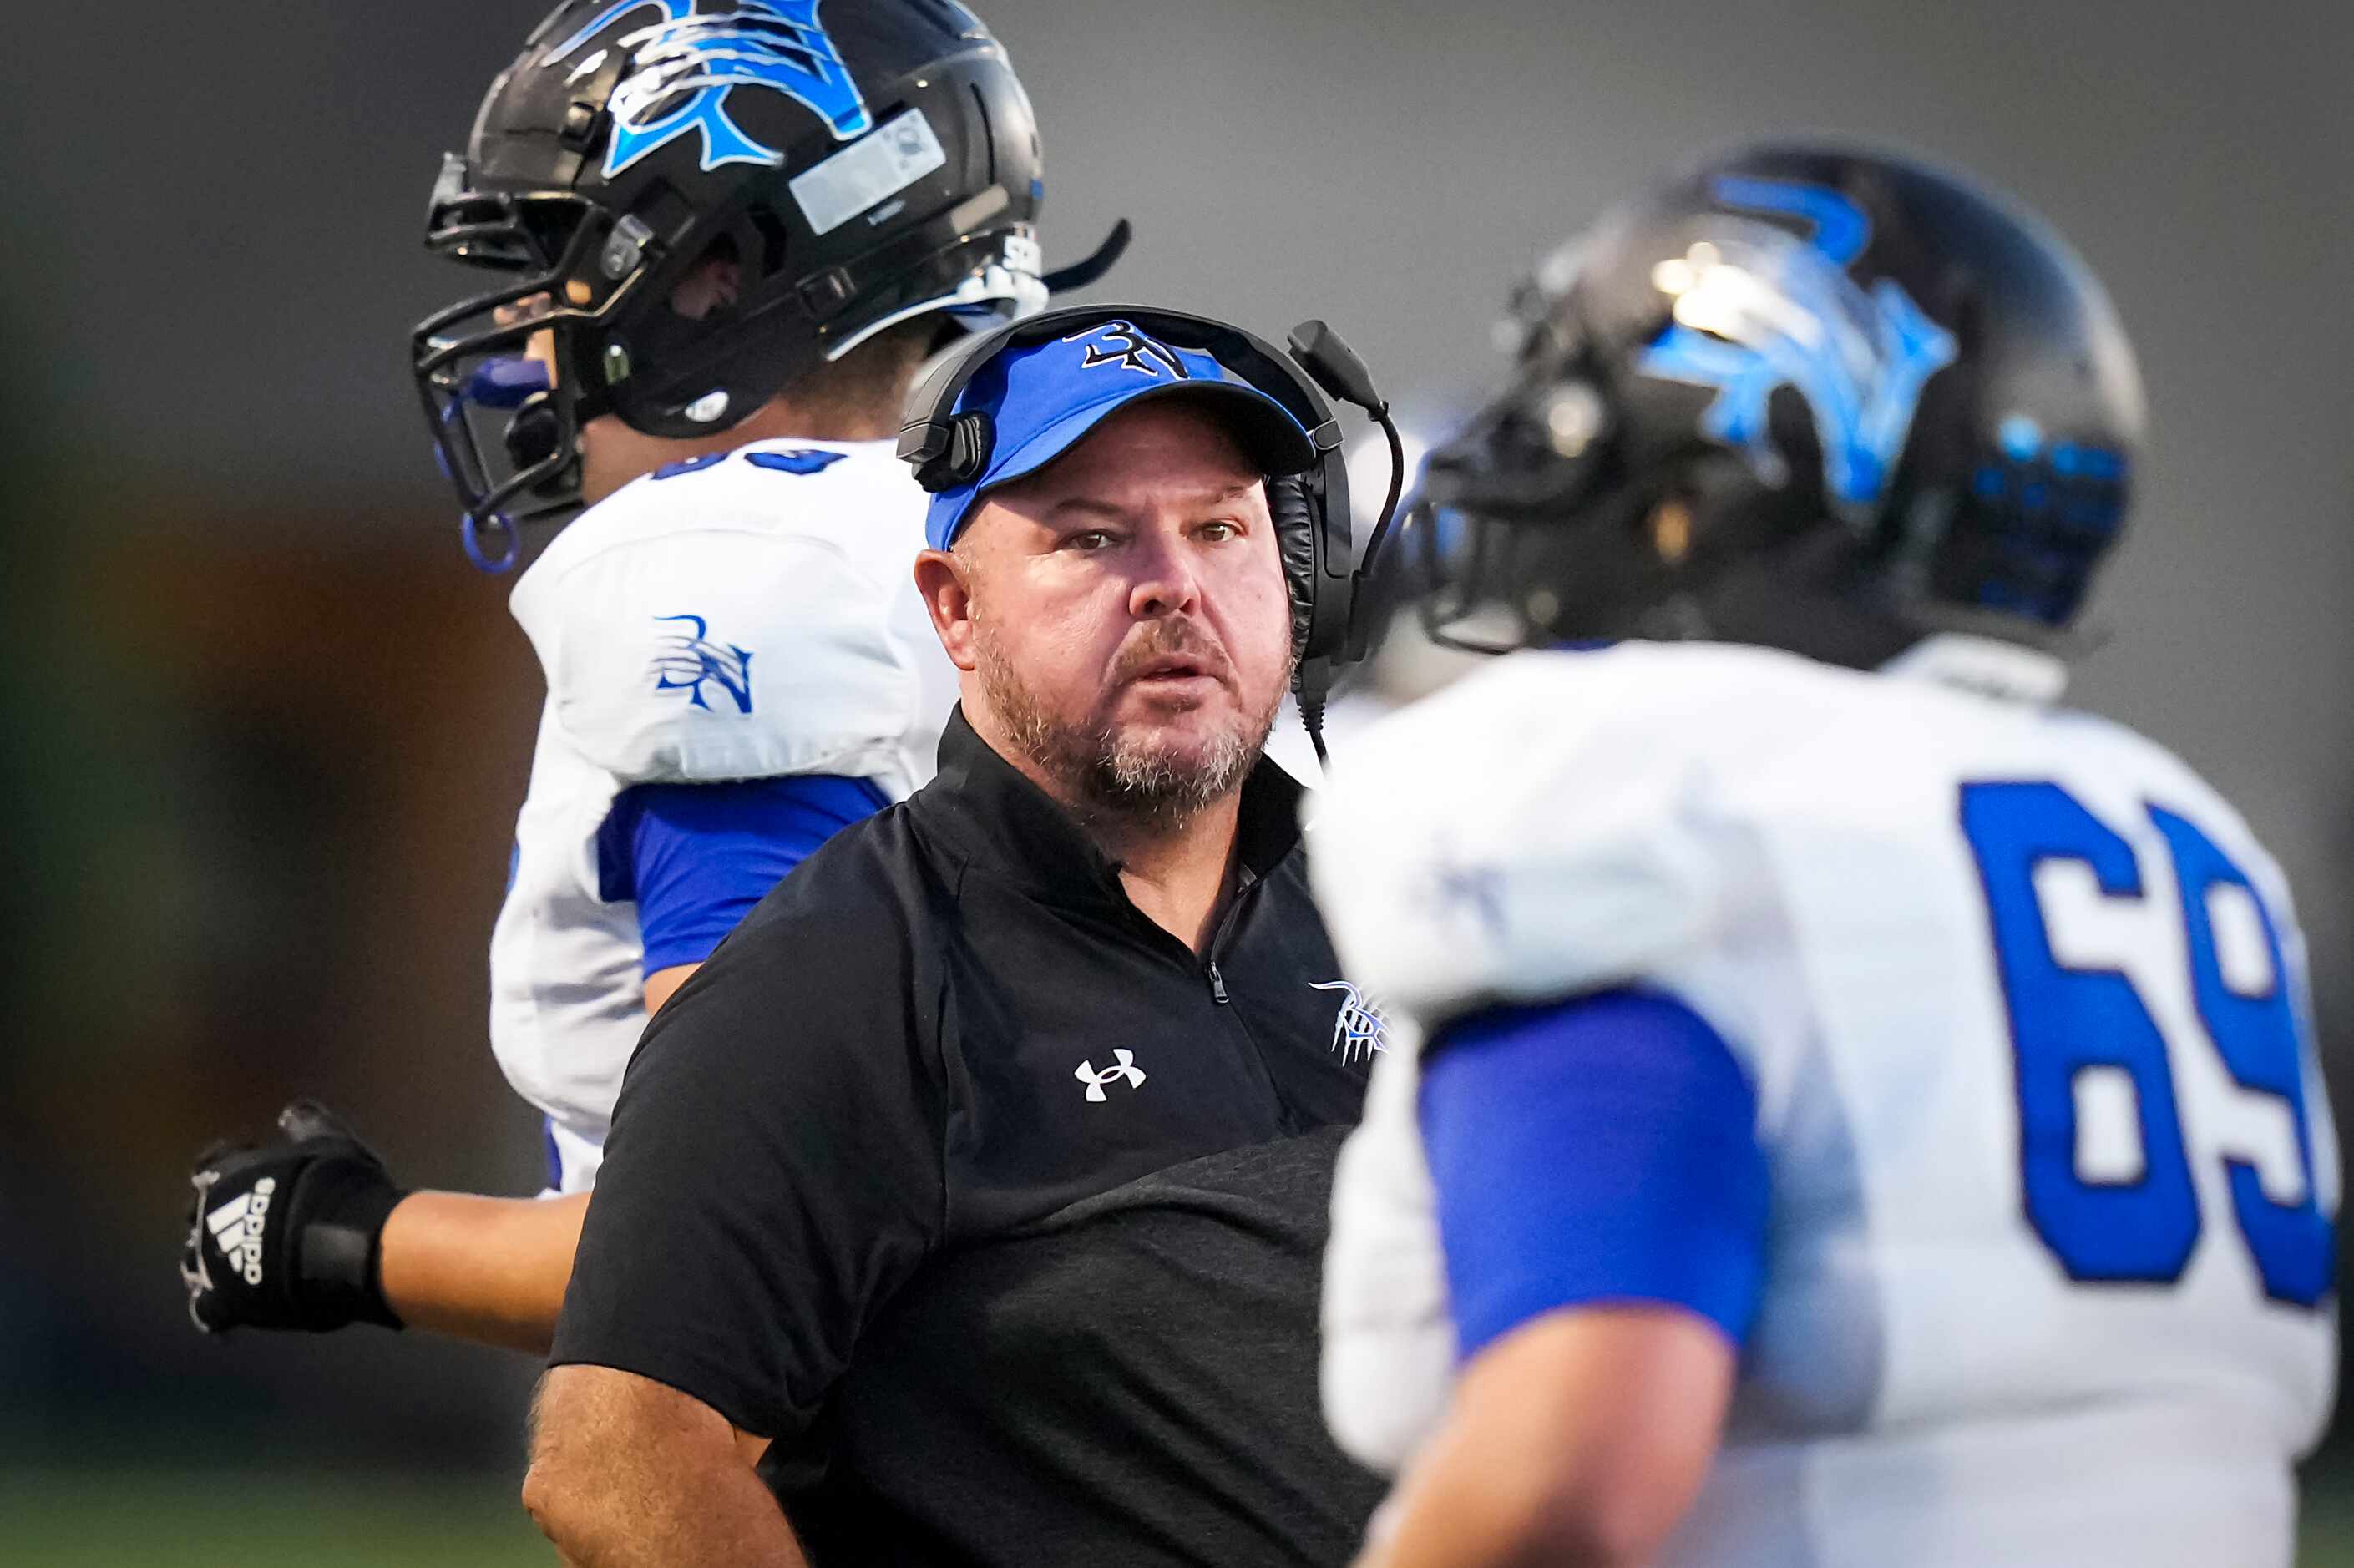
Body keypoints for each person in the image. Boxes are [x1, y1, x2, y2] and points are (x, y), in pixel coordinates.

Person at [1309, 144, 2339, 1568]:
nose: (1534, 466)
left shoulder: (1641, 802)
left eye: (1586, 425)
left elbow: (1570, 1473)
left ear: (1734, 476)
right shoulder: (2175, 839)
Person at [178, 0, 1128, 1353]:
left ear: (721, 273)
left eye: (567, 260)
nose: (526, 337)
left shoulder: (745, 569)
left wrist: (343, 1236)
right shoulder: (1101, 540)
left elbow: (735, 1239)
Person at [522, 306, 1395, 1566]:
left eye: (1220, 528)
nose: (1176, 584)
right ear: (955, 613)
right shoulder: (837, 975)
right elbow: (613, 1461)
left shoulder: (1397, 905)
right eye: (1094, 537)